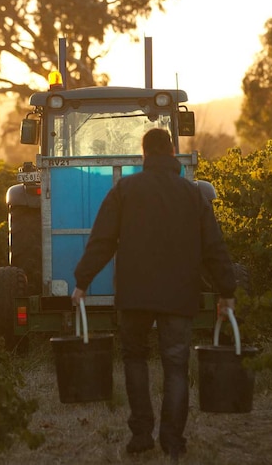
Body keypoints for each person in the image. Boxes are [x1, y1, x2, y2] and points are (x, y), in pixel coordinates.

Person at [71, 128, 236, 461]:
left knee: (135, 359)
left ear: (143, 153)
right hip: (179, 294)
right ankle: (173, 441)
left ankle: (141, 435)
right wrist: (226, 291)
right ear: (172, 151)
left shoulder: (125, 190)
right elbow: (214, 248)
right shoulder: (194, 195)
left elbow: (102, 240)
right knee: (176, 365)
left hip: (134, 293)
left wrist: (82, 281)